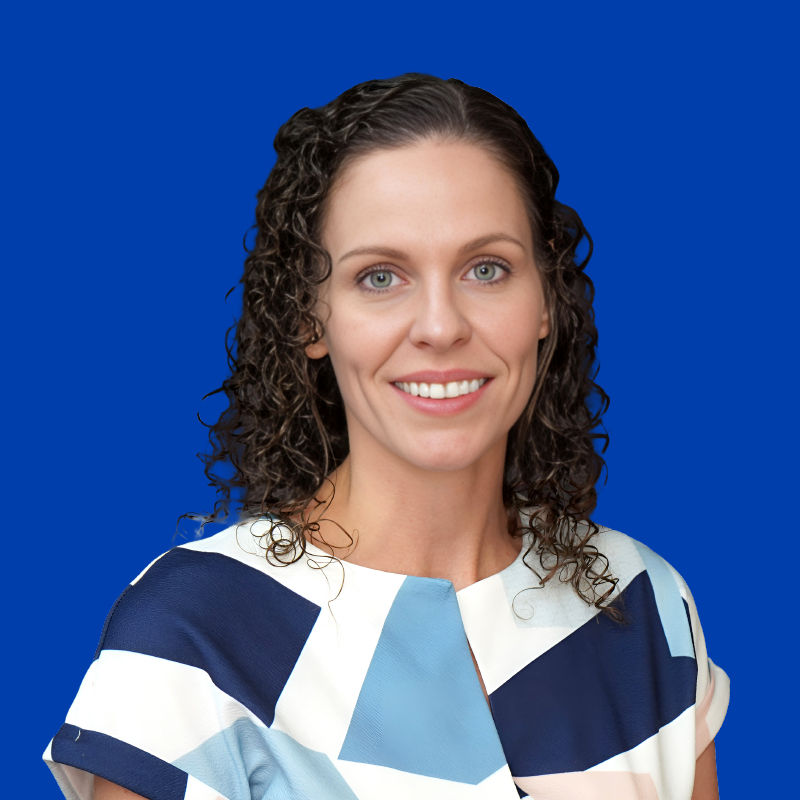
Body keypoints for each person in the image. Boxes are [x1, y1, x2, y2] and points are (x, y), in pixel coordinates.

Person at [43, 73, 729, 800]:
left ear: (546, 301)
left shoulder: (643, 604)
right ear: (310, 317)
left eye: (486, 269)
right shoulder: (195, 636)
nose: (440, 326)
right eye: (380, 277)